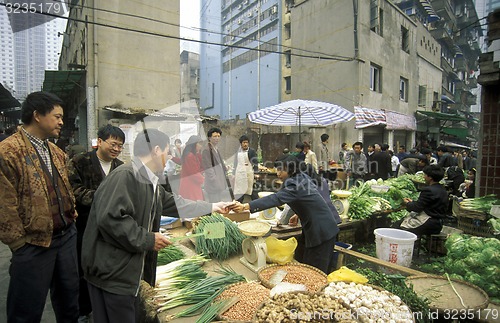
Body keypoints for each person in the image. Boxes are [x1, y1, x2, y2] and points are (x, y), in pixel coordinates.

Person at [81, 128, 231, 323]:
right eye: (168, 151)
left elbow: (175, 203)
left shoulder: (148, 179)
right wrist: (148, 239)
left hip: (123, 271)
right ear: (156, 150)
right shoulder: (125, 176)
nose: (169, 156)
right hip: (112, 274)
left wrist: (212, 206)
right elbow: (110, 219)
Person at [0, 91, 79, 322]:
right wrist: (18, 243)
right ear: (37, 115)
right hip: (33, 244)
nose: (62, 121)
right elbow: (4, 203)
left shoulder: (55, 151)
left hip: (65, 237)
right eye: (57, 116)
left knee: (69, 303)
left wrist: (71, 212)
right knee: (26, 310)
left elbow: (65, 187)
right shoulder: (8, 151)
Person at [231, 154, 339, 274]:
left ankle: (316, 290)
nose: (278, 173)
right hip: (321, 227)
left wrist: (246, 206)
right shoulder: (301, 177)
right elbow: (309, 198)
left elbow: (276, 198)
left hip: (321, 231)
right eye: (277, 169)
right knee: (304, 260)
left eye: (281, 170)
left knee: (316, 270)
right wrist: (298, 214)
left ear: (291, 169)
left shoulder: (294, 184)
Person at [67, 124, 126, 321]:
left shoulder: (121, 167)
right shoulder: (80, 162)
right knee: (85, 269)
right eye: (113, 144)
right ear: (99, 141)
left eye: (120, 146)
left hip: (111, 228)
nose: (116, 149)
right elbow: (72, 190)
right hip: (85, 225)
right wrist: (103, 198)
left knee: (107, 268)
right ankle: (84, 311)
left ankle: (102, 308)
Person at [397, 165, 448, 236]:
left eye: (425, 175)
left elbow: (417, 208)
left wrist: (407, 203)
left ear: (430, 177)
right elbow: (426, 204)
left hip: (428, 223)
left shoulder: (428, 190)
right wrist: (412, 202)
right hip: (438, 223)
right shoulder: (442, 189)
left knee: (398, 226)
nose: (424, 177)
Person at [201, 127, 233, 202]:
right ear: (209, 138)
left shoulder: (215, 148)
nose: (217, 138)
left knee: (218, 203)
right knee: (215, 205)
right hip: (213, 185)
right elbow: (208, 168)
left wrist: (225, 168)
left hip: (219, 183)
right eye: (215, 136)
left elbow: (219, 163)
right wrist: (215, 181)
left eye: (218, 136)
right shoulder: (207, 150)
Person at [233, 135, 259, 202]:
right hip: (239, 173)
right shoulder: (237, 152)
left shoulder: (252, 151)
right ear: (241, 143)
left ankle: (256, 204)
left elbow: (255, 162)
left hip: (248, 172)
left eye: (246, 142)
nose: (245, 144)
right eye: (244, 142)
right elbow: (235, 163)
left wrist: (256, 172)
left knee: (251, 188)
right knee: (239, 190)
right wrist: (233, 173)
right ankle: (238, 204)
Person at [178, 135, 205, 200]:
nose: (201, 146)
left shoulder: (190, 154)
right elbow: (193, 173)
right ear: (194, 144)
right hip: (191, 184)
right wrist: (203, 179)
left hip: (188, 183)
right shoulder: (190, 156)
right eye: (199, 144)